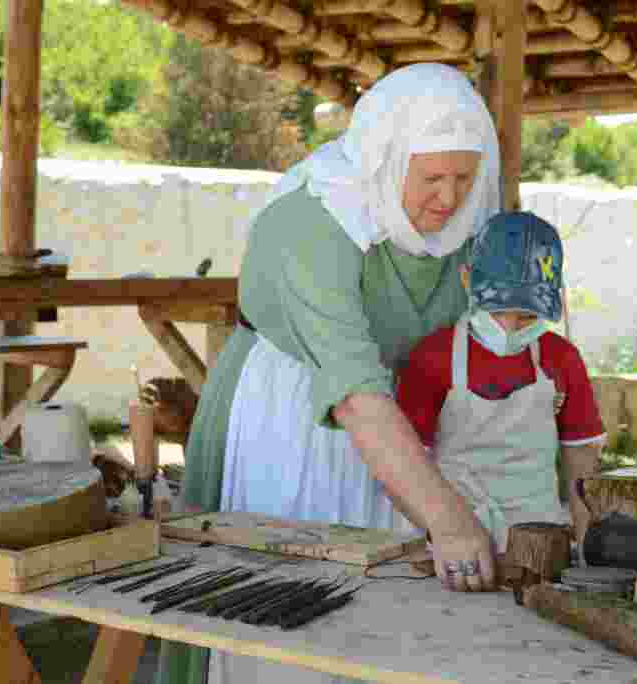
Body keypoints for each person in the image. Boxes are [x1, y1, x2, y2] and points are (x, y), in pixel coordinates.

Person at [156, 63, 502, 684]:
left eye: (463, 177)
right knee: (281, 622)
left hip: (396, 437)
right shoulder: (315, 224)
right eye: (431, 178)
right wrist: (448, 519)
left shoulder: (466, 226)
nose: (449, 198)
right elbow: (355, 395)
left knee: (381, 629)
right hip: (289, 416)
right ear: (387, 160)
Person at [396, 211, 605, 555]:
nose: (510, 327)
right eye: (497, 311)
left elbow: (581, 457)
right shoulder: (434, 357)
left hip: (542, 541)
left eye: (526, 316)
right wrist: (442, 533)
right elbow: (405, 466)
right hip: (451, 537)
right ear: (467, 281)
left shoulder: (561, 358)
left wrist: (588, 545)